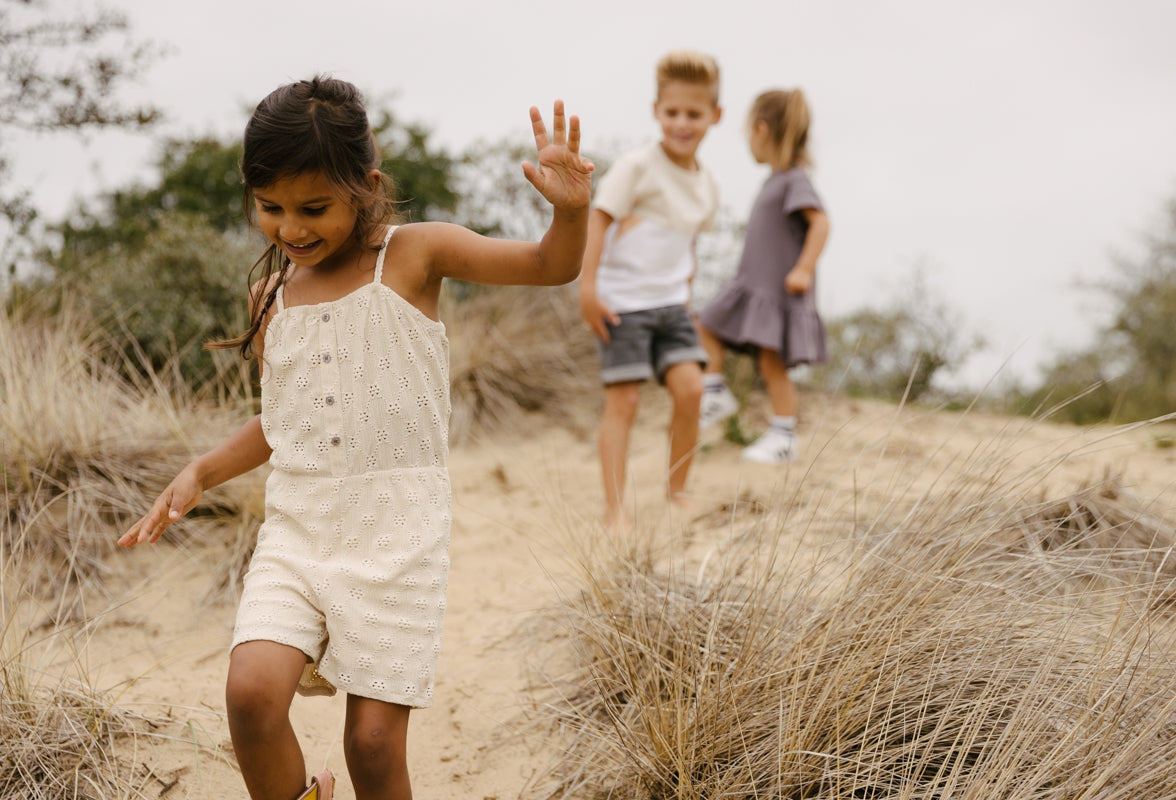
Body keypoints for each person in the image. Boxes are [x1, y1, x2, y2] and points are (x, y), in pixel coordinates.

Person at [117, 76, 592, 800]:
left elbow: (548, 266)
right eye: (269, 208)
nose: (289, 229)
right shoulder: (272, 295)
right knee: (249, 696)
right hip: (300, 531)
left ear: (365, 187)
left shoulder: (414, 255)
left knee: (371, 746)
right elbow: (285, 422)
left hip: (396, 538)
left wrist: (570, 215)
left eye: (313, 208)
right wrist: (203, 471)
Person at [579, 50, 721, 530]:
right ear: (656, 111)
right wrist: (588, 289)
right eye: (672, 112)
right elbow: (598, 223)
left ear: (714, 117)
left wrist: (688, 299)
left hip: (672, 307)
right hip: (622, 304)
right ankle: (613, 508)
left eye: (694, 114)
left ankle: (676, 490)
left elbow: (689, 247)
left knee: (692, 390)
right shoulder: (637, 166)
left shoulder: (707, 186)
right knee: (626, 402)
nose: (682, 123)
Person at [697, 88, 829, 464]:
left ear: (761, 130)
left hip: (774, 290)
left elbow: (821, 223)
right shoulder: (775, 180)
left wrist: (804, 268)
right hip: (755, 287)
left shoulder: (793, 179)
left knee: (770, 363)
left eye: (747, 134)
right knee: (707, 322)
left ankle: (783, 435)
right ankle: (716, 389)